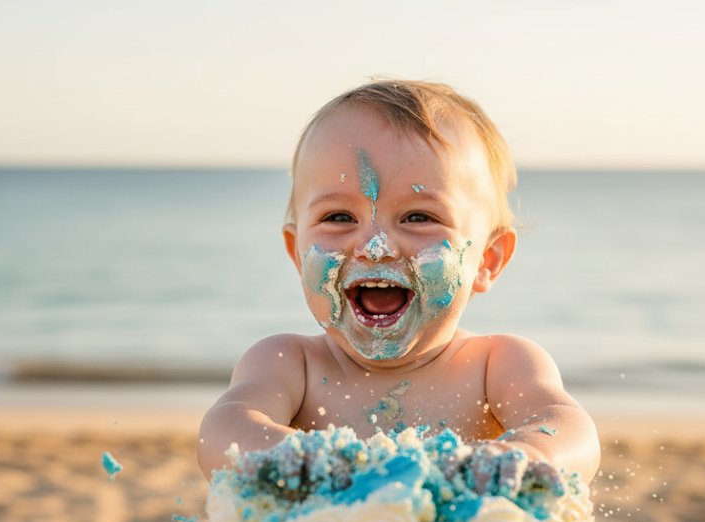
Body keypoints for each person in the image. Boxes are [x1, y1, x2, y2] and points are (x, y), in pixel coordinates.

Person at [198, 79, 599, 485]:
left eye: (418, 217)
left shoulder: (497, 364)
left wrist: (528, 453)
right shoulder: (289, 364)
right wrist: (283, 455)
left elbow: (569, 430)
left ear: (487, 261)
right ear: (297, 252)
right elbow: (224, 429)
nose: (375, 248)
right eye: (338, 217)